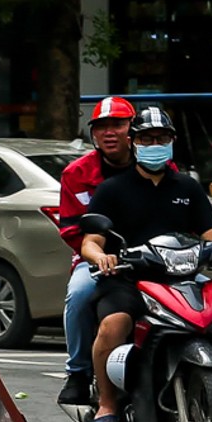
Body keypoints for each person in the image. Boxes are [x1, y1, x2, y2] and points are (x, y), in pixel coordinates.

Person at [81, 106, 212, 422]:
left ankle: (206, 390)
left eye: (161, 138)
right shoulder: (112, 189)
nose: (155, 143)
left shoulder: (187, 187)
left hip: (182, 278)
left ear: (172, 141)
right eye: (147, 138)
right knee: (115, 324)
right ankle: (108, 405)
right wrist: (102, 258)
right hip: (129, 279)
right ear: (134, 142)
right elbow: (90, 241)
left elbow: (211, 233)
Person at [55, 96, 139, 406]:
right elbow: (72, 231)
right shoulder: (76, 174)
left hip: (153, 256)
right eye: (102, 127)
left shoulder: (156, 166)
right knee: (78, 295)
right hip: (95, 258)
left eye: (117, 125)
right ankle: (78, 371)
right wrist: (100, 255)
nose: (110, 133)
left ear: (132, 129)